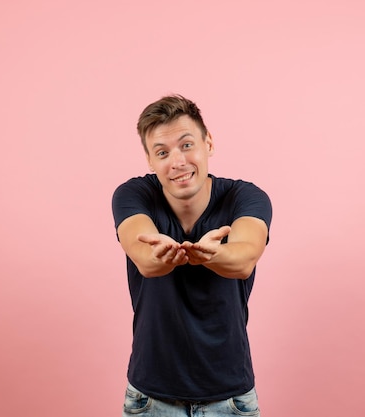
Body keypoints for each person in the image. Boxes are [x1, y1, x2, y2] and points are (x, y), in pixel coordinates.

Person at [112, 94, 272, 417]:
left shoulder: (245, 197)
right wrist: (164, 255)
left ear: (208, 143)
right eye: (162, 152)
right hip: (150, 400)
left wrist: (209, 256)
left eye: (186, 145)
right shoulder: (133, 195)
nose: (178, 162)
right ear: (150, 160)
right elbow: (143, 256)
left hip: (231, 401)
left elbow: (244, 258)